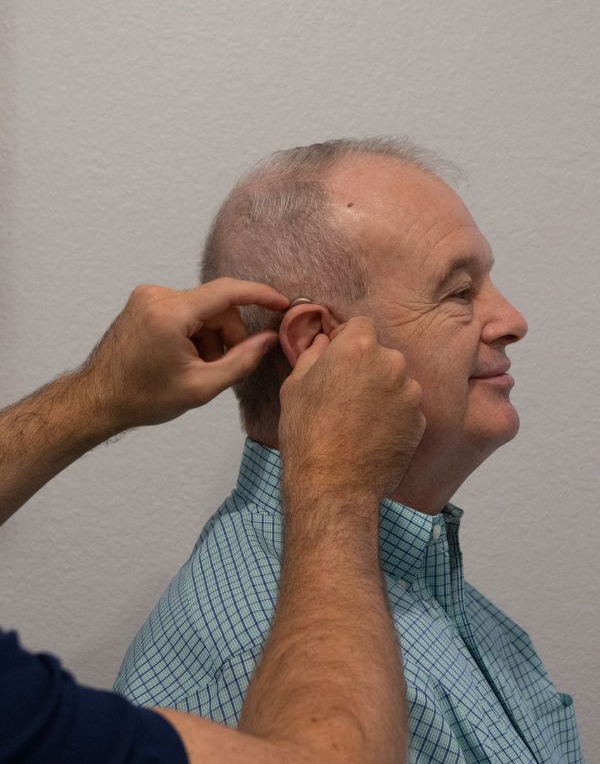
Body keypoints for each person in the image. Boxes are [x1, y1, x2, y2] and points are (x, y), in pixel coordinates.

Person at [115, 137, 585, 763]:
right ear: (319, 345)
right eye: (459, 292)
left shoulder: (435, 592)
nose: (512, 319)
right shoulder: (253, 664)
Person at [0, 276, 426, 763]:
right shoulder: (236, 650)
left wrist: (96, 391)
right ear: (312, 338)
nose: (513, 323)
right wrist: (336, 481)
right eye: (457, 293)